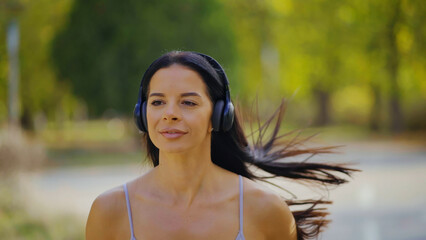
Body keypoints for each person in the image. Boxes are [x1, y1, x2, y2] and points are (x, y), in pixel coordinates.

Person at [86, 51, 359, 240]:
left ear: (218, 116)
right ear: (142, 115)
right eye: (157, 102)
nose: (169, 113)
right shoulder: (110, 210)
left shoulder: (265, 210)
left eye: (188, 102)